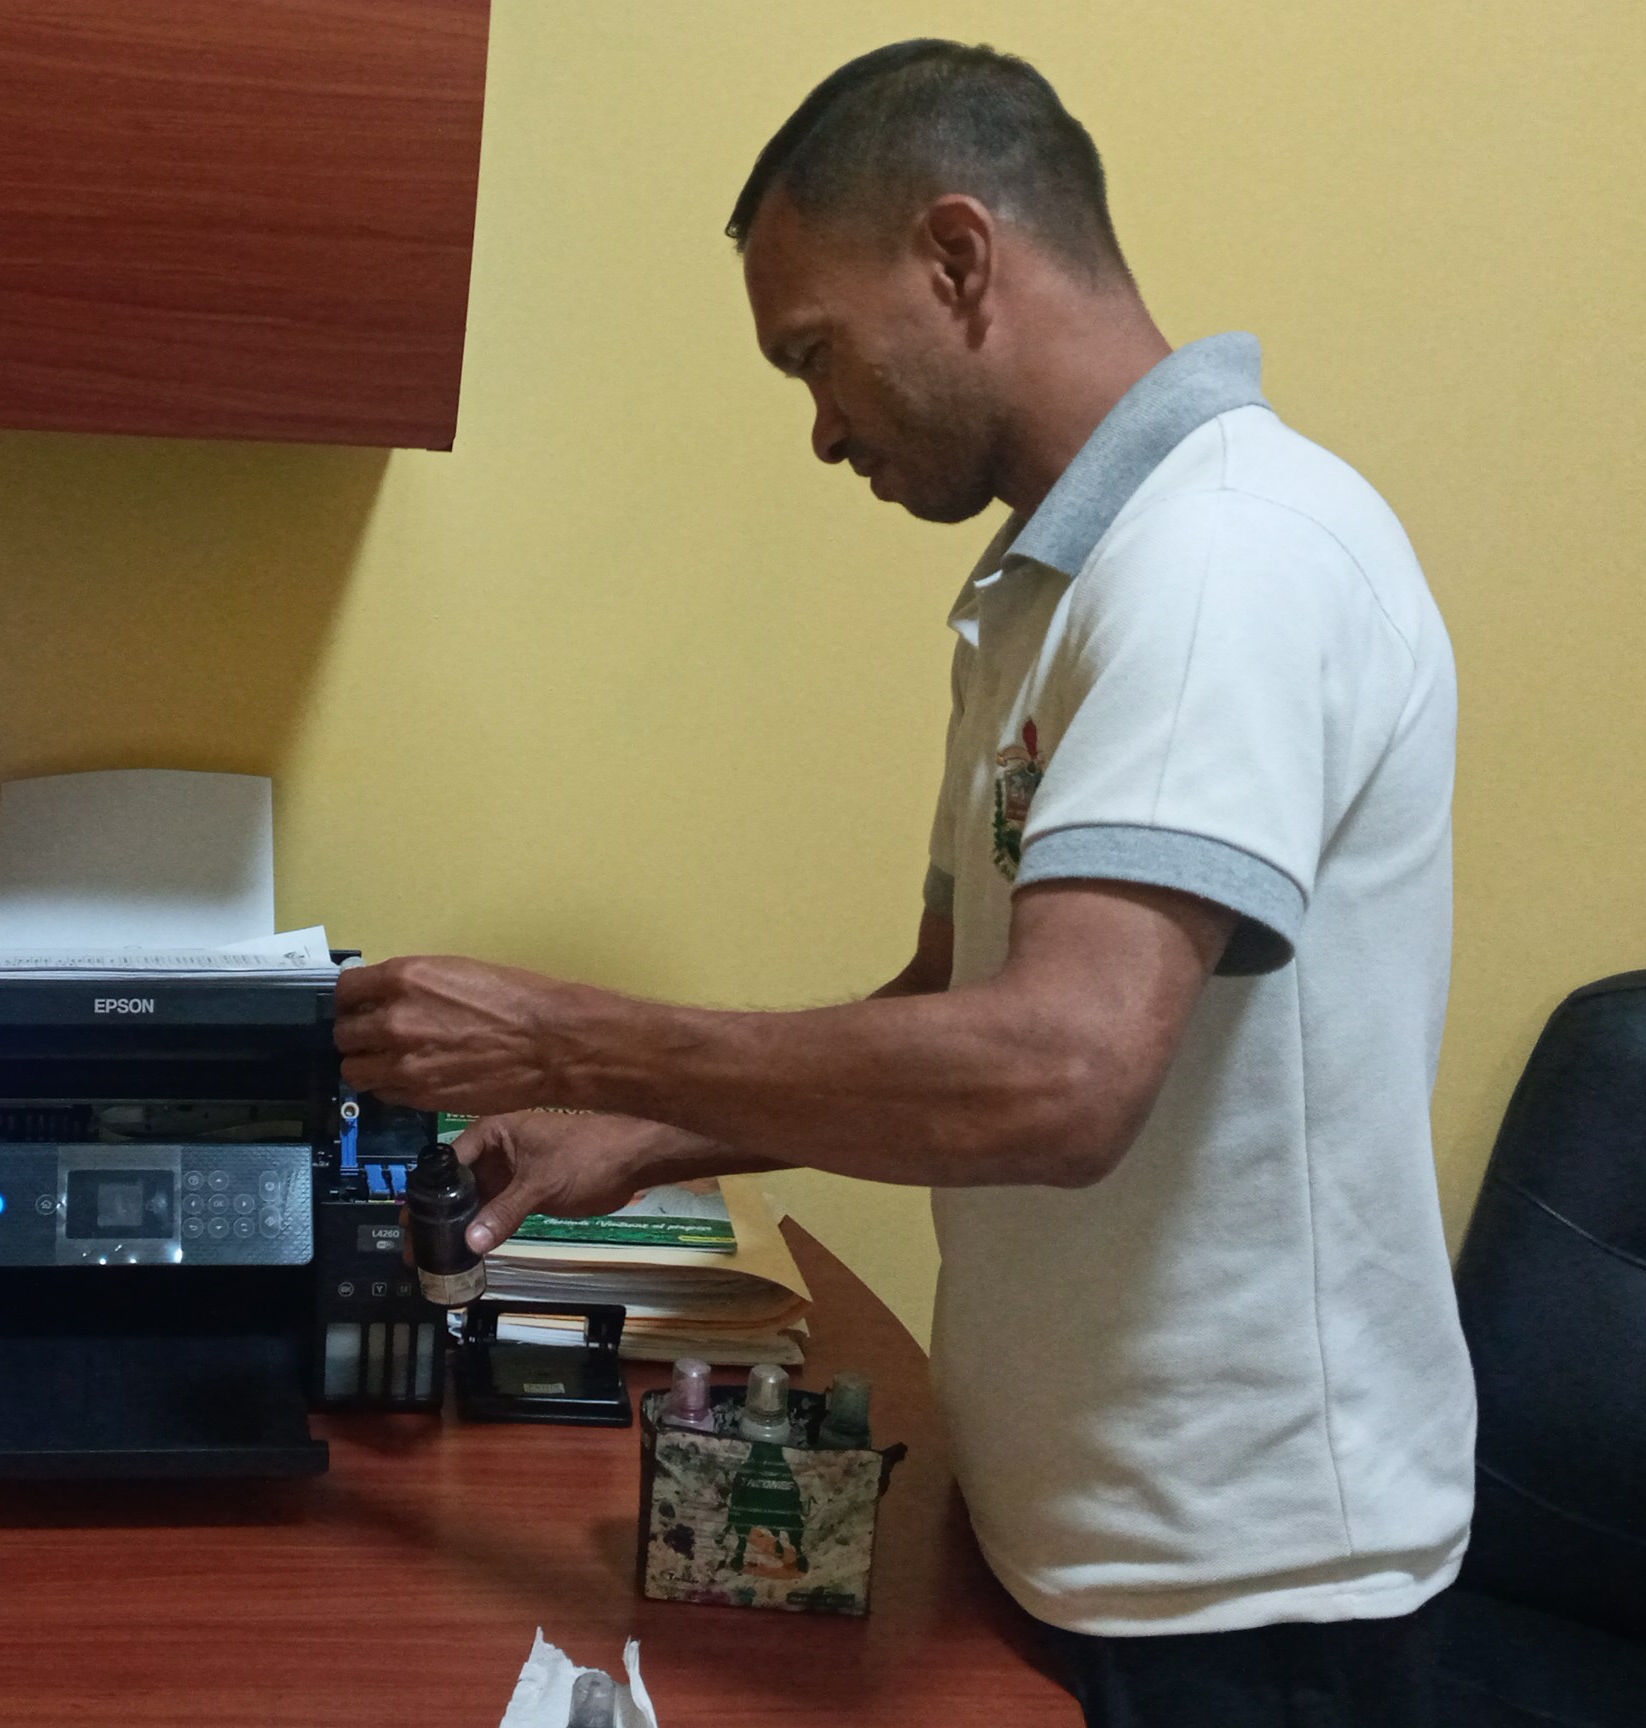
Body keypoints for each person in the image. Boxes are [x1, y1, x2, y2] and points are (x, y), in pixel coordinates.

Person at [335, 40, 1472, 1727]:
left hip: (1242, 1591)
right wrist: (634, 1136)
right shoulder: (1043, 593)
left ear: (956, 259)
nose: (818, 429)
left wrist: (564, 1036)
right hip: (1065, 1519)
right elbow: (949, 1013)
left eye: (815, 352)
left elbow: (1061, 1076)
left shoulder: (1226, 560)